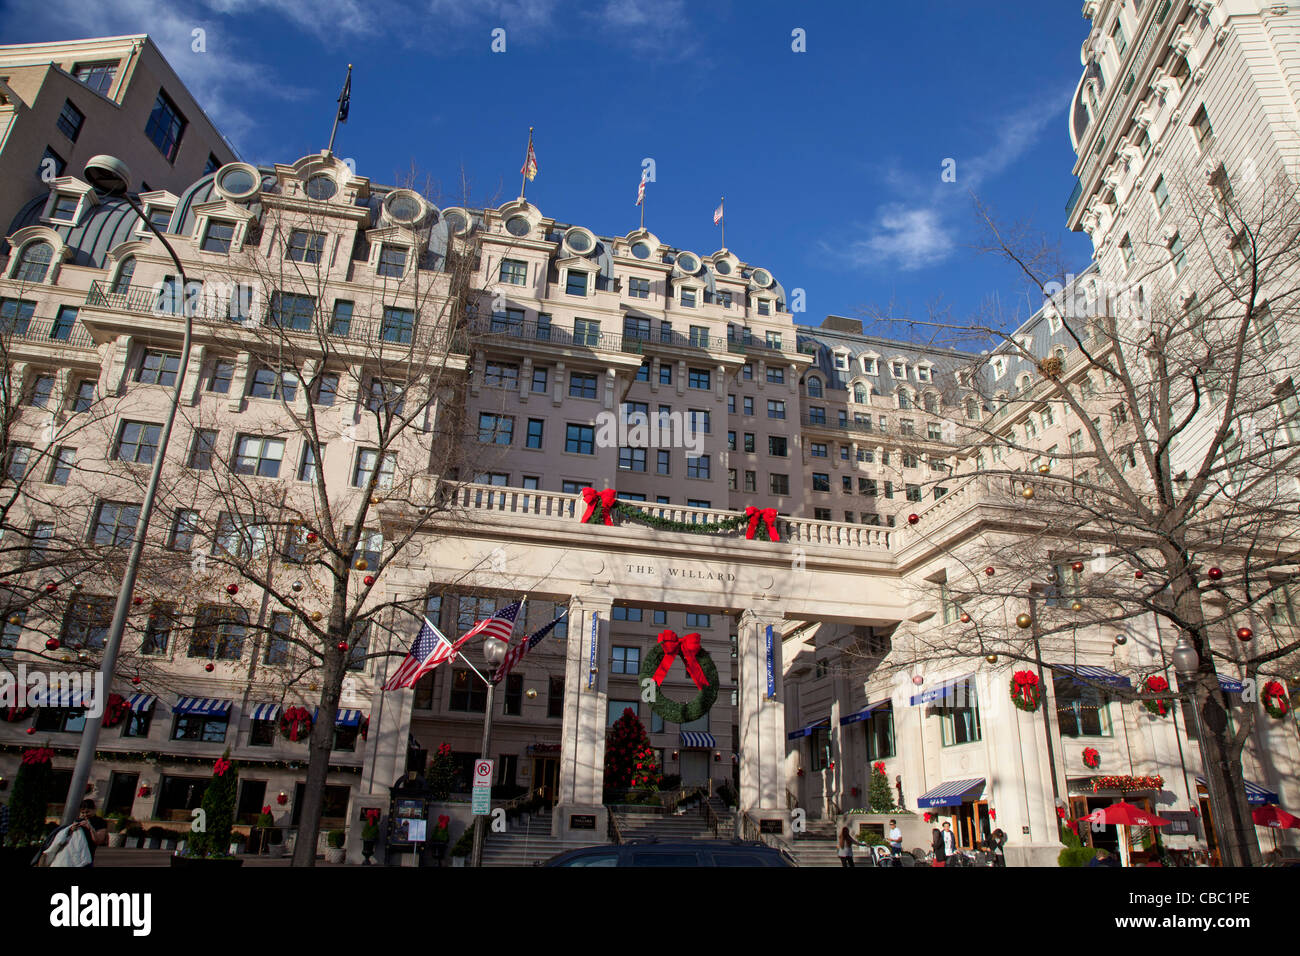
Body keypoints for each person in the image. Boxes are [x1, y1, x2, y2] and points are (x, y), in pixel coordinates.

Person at [74, 799, 108, 864]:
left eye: (87, 812)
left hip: (89, 854)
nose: (85, 815)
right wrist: (71, 829)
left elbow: (98, 840)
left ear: (94, 809)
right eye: (83, 812)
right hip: (76, 853)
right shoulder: (79, 821)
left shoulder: (100, 822)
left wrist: (90, 828)